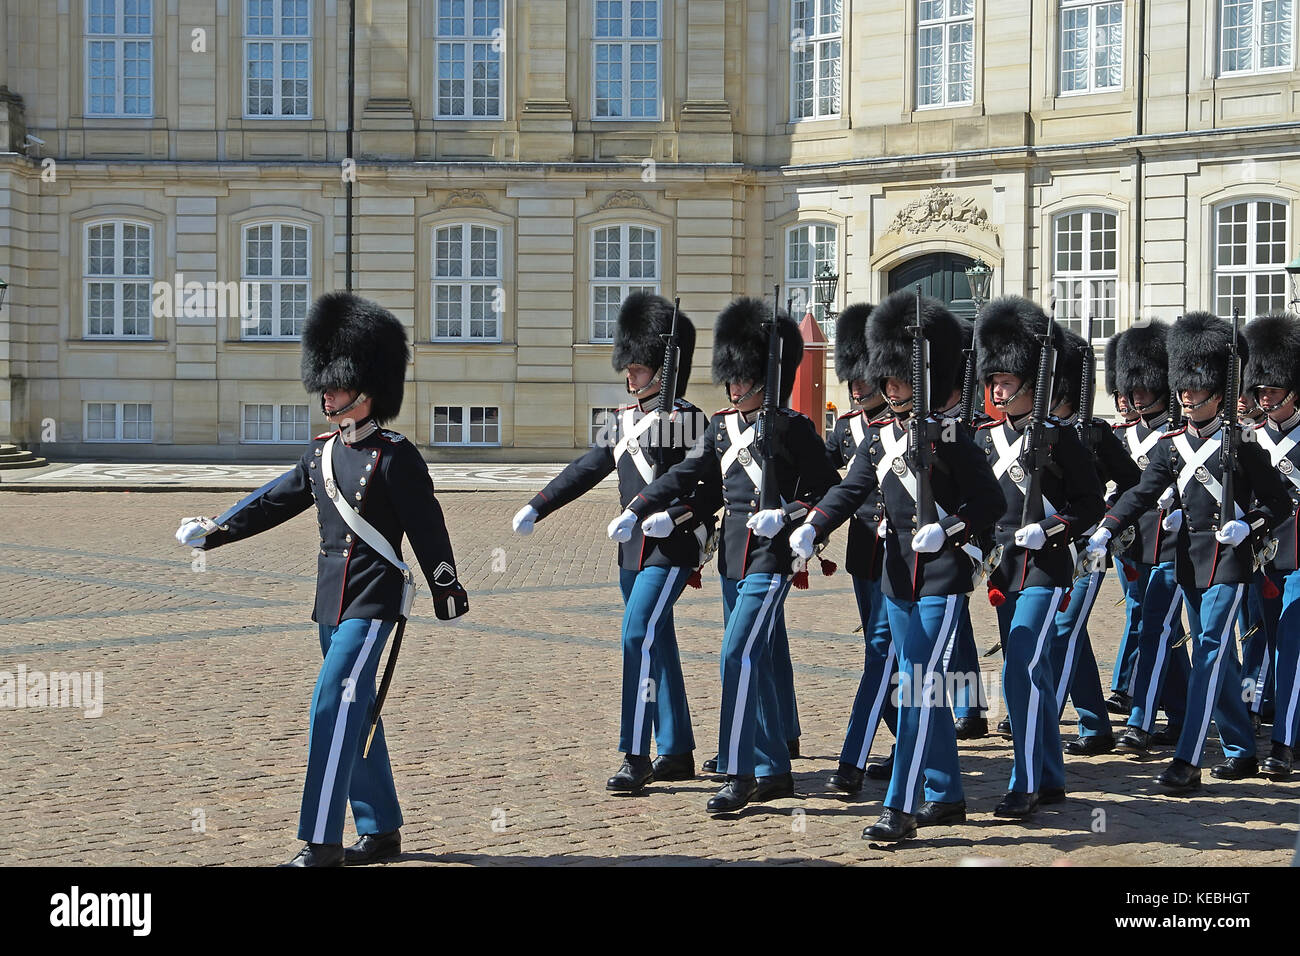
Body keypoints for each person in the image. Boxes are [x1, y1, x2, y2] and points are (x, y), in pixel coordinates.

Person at [175, 292, 468, 866]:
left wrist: (445, 586)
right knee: (358, 710)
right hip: (329, 606)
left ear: (366, 387)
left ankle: (321, 841)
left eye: (335, 385)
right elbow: (273, 502)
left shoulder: (396, 457)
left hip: (373, 602)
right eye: (326, 384)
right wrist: (215, 532)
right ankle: (381, 830)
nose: (326, 394)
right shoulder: (321, 455)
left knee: (331, 704)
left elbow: (428, 529)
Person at [609, 297, 841, 814]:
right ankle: (774, 768)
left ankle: (740, 771)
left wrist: (789, 514)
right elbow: (696, 482)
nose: (734, 388)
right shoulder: (719, 427)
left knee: (735, 654)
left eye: (742, 378)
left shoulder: (793, 427)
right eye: (730, 379)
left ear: (764, 376)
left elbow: (828, 490)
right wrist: (658, 509)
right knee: (751, 654)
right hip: (732, 559)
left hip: (772, 560)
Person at [786, 291, 1003, 841]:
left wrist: (951, 528)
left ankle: (900, 806)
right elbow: (849, 489)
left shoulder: (953, 435)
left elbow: (990, 504)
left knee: (920, 685)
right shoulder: (880, 436)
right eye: (889, 382)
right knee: (915, 684)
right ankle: (946, 793)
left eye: (901, 381)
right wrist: (813, 525)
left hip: (943, 575)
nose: (892, 390)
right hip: (896, 575)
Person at [511, 293, 719, 793]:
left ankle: (635, 752)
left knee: (636, 636)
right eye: (628, 366)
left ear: (663, 369)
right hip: (631, 549)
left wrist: (666, 515)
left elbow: (705, 481)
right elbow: (587, 467)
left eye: (640, 367)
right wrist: (539, 504)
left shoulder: (690, 418)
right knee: (657, 641)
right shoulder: (624, 419)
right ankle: (676, 748)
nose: (629, 375)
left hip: (671, 546)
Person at [1086, 312, 1291, 793]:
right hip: (1188, 558)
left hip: (1230, 559)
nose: (1186, 396)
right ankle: (1241, 748)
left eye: (1196, 390)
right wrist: (1108, 525)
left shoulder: (1240, 442)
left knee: (1211, 652)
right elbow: (1140, 491)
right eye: (1184, 389)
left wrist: (1249, 524)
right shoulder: (1172, 445)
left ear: (1217, 392)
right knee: (1215, 658)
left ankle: (1189, 757)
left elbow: (1277, 501)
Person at [972, 296, 1105, 818]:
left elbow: (1090, 504)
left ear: (1031, 383)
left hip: (1047, 566)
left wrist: (1050, 528)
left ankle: (1023, 779)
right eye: (995, 381)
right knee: (1036, 671)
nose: (997, 389)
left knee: (1020, 667)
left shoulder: (1061, 438)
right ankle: (1049, 776)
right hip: (1005, 569)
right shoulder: (986, 440)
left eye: (1006, 381)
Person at [820, 303, 902, 795]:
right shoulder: (848, 426)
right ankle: (912, 739)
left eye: (864, 376)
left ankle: (852, 757)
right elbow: (826, 478)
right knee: (884, 654)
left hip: (908, 556)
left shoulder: (910, 424)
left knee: (882, 652)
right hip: (864, 555)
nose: (857, 386)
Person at [1049, 330, 1140, 756]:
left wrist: (1106, 519)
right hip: (1045, 548)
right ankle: (1094, 723)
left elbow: (1134, 484)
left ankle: (1044, 714)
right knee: (1067, 633)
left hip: (1086, 548)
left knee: (1065, 629)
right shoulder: (1034, 432)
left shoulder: (1096, 433)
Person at [1107, 321, 1192, 754]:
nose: (1136, 396)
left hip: (1174, 543)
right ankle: (1180, 709)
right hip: (1134, 543)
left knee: (1155, 624)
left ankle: (1141, 718)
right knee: (1157, 624)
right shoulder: (1123, 435)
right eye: (1131, 389)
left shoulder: (1178, 435)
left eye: (1144, 388)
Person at [1241, 311, 1300, 779]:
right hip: (1263, 554)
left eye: (1272, 391)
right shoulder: (1251, 437)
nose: (1263, 399)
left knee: (1292, 645)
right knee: (1270, 641)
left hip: (1299, 553)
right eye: (1259, 391)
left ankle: (1283, 741)